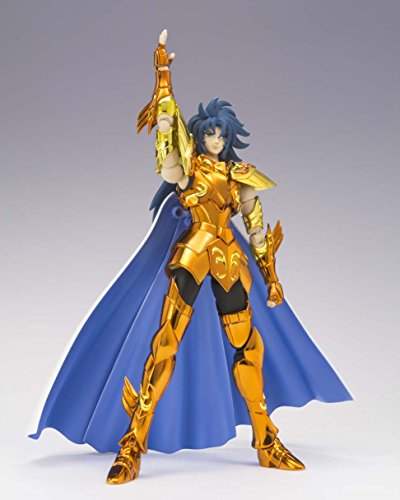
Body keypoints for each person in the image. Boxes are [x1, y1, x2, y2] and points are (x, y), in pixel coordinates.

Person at [29, 29, 352, 485]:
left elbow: (256, 227)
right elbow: (168, 160)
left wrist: (272, 275)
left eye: (221, 134)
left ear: (229, 137)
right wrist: (163, 92)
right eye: (209, 133)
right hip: (194, 252)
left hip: (230, 260)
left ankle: (266, 439)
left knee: (248, 345)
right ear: (201, 136)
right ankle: (133, 442)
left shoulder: (241, 175)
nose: (216, 139)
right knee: (165, 342)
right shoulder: (191, 169)